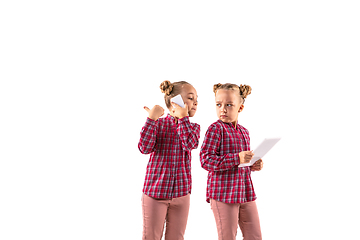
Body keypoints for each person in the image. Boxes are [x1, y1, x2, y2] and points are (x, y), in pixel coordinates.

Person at [200, 83, 263, 240]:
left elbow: (241, 165)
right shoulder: (215, 129)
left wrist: (252, 165)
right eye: (218, 104)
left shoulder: (244, 132)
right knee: (227, 236)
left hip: (245, 192)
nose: (223, 109)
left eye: (229, 105)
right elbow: (206, 160)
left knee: (255, 236)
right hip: (223, 194)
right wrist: (237, 158)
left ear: (240, 108)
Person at [138, 80, 200, 240]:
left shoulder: (193, 127)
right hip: (155, 194)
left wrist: (183, 118)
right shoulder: (158, 124)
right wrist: (151, 119)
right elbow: (144, 148)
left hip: (181, 194)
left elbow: (190, 144)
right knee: (151, 237)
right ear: (176, 101)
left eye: (197, 99)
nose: (196, 103)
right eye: (191, 98)